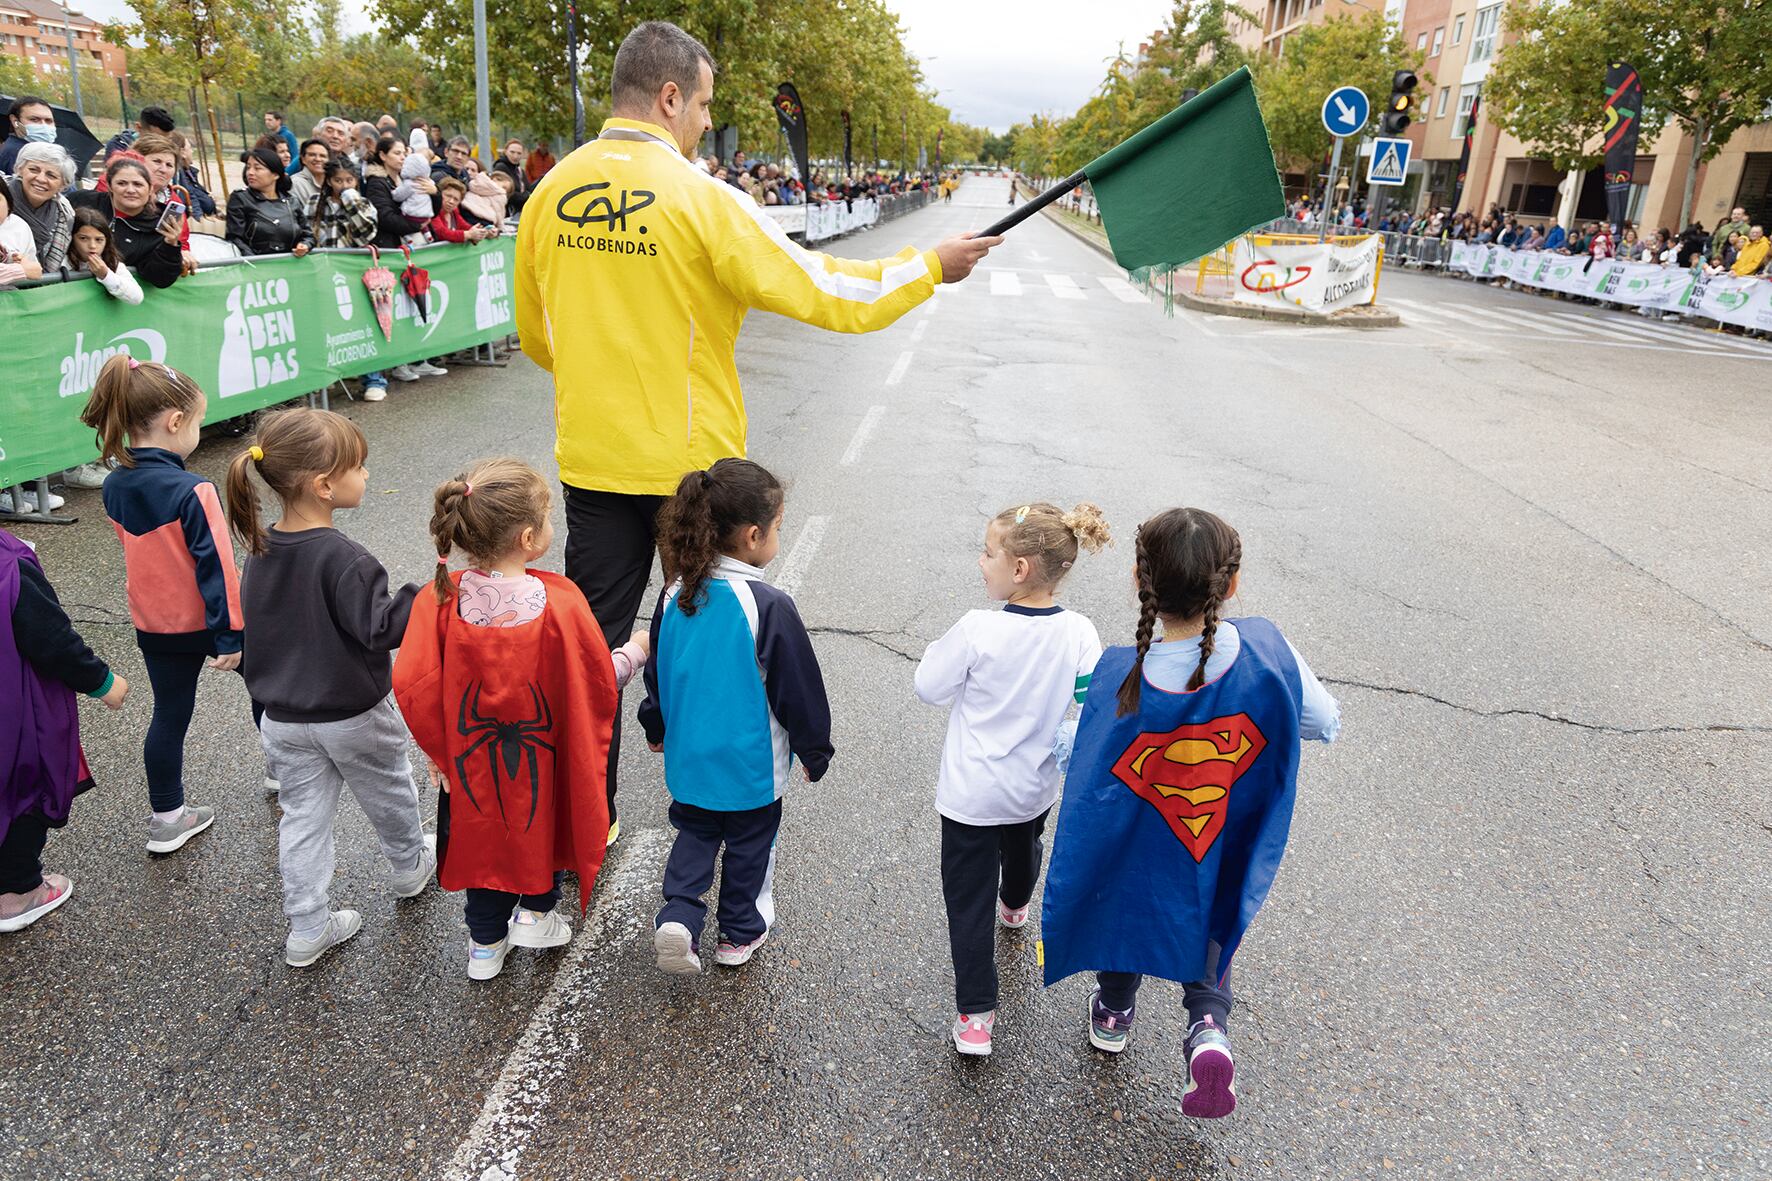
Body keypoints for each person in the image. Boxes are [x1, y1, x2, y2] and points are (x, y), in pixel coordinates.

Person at [515, 20, 998, 835]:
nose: (706, 121)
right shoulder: (703, 199)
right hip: (691, 475)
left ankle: (580, 825)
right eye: (702, 104)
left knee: (593, 655)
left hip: (592, 463)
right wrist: (928, 268)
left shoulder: (550, 191)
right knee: (709, 643)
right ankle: (709, 813)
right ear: (670, 97)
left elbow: (537, 338)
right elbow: (827, 293)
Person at [1040, 508, 1339, 1120]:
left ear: (1137, 580)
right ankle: (1207, 1028)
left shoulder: (1118, 673)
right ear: (1229, 586)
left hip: (1141, 834)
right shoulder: (1266, 649)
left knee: (1127, 906)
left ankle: (1114, 1012)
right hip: (1216, 833)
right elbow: (1321, 721)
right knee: (1209, 914)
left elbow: (1081, 752)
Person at [394, 459, 643, 980]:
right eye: (551, 518)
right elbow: (595, 681)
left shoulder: (440, 598)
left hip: (470, 756)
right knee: (539, 822)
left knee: (483, 834)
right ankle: (536, 913)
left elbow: (415, 683)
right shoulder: (561, 603)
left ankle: (484, 945)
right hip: (541, 750)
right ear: (529, 537)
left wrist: (439, 752)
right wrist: (636, 652)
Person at [221, 408, 433, 967]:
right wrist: (427, 594)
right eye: (358, 467)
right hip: (352, 713)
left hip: (283, 719)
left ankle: (308, 927)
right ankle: (410, 867)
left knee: (303, 820)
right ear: (323, 485)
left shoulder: (261, 549)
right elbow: (382, 627)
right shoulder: (346, 559)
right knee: (389, 790)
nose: (365, 475)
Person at [913, 502, 1111, 1057]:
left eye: (988, 551)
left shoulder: (978, 629)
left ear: (1019, 569)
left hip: (971, 794)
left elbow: (929, 686)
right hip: (1033, 786)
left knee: (965, 900)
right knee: (1024, 844)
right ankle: (1018, 901)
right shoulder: (1078, 632)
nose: (981, 561)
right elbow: (1090, 699)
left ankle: (977, 1014)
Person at [639, 459, 831, 974]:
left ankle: (679, 912)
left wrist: (655, 724)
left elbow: (657, 670)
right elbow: (798, 689)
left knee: (696, 833)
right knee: (751, 845)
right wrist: (815, 749)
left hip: (691, 760)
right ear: (752, 536)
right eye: (777, 529)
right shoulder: (767, 604)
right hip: (750, 765)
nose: (776, 538)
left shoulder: (673, 594)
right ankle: (738, 935)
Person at [76, 356, 268, 854]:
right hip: (210, 620)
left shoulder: (114, 485)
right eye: (199, 421)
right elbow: (218, 567)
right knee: (265, 691)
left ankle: (167, 817)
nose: (199, 431)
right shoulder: (195, 489)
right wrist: (230, 632)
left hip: (153, 624)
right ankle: (284, 773)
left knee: (168, 716)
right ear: (175, 422)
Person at [1, 528, 131, 933]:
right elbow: (51, 639)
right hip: (13, 713)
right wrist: (103, 682)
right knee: (23, 790)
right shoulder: (9, 565)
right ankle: (18, 894)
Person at [68, 154, 185, 289]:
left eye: (138, 184)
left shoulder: (158, 225)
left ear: (150, 189)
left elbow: (160, 279)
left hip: (115, 295)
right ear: (110, 186)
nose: (130, 190)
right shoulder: (81, 201)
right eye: (122, 183)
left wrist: (171, 245)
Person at [226, 147, 313, 257]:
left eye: (257, 168)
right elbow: (234, 238)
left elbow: (308, 235)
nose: (250, 173)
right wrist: (256, 262)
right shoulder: (240, 198)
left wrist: (304, 245)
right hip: (255, 267)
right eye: (248, 168)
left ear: (275, 175)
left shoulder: (291, 201)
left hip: (290, 265)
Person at [5, 141, 76, 272]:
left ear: (63, 184)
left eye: (51, 175)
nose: (41, 179)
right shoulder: (2, 198)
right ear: (20, 170)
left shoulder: (65, 214)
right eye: (33, 169)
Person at [67, 207, 143, 304]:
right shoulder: (59, 260)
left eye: (99, 240)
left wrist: (105, 275)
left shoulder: (111, 262)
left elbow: (136, 298)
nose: (92, 246)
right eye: (83, 238)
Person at [0, 95, 57, 175]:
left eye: (48, 121)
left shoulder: (37, 150)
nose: (44, 126)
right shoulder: (18, 154)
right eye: (34, 119)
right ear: (15, 121)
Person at [429, 177, 496, 243]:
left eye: (456, 199)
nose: (451, 201)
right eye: (448, 196)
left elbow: (466, 227)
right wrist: (468, 234)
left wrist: (484, 232)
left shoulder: (454, 212)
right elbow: (441, 232)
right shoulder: (432, 210)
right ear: (440, 194)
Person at [0, 183, 43, 285]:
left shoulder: (19, 225)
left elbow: (33, 270)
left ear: (8, 203)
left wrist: (23, 262)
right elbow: (30, 271)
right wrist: (21, 270)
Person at [103, 105, 175, 162]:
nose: (162, 144)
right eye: (155, 139)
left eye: (167, 140)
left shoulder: (171, 148)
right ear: (138, 127)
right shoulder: (119, 147)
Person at [289, 139, 331, 220]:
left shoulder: (331, 182)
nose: (318, 159)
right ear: (303, 159)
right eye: (312, 155)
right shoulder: (296, 183)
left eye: (323, 156)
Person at [398, 142, 437, 224]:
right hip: (425, 214)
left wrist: (393, 193)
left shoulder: (409, 183)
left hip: (412, 214)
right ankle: (428, 235)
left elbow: (399, 195)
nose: (402, 158)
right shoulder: (429, 181)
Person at [492, 139, 530, 211]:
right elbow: (505, 192)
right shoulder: (500, 167)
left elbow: (528, 189)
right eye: (512, 152)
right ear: (505, 151)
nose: (515, 156)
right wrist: (524, 196)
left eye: (519, 153)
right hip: (505, 211)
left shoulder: (520, 171)